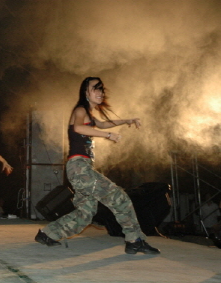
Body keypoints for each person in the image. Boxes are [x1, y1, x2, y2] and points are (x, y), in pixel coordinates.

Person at [35, 77, 160, 255]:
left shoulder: (90, 115)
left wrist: (127, 120)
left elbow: (103, 123)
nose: (100, 92)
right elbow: (78, 128)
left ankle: (48, 234)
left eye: (102, 89)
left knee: (85, 213)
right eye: (96, 89)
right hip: (79, 168)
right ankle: (135, 240)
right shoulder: (80, 110)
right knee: (120, 198)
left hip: (80, 168)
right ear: (86, 92)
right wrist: (108, 135)